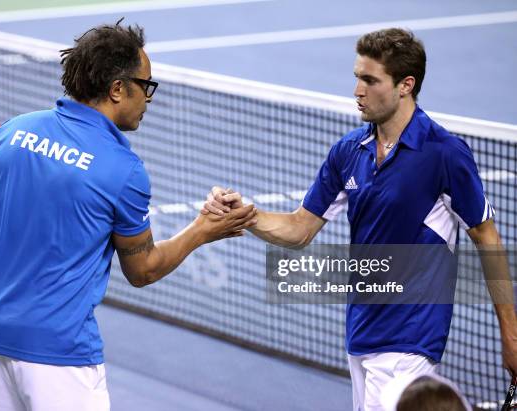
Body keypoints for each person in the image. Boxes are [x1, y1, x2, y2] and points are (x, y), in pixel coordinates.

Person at [203, 28, 517, 410]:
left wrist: (510, 335)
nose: (357, 90)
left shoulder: (444, 155)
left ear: (405, 85)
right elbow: (299, 229)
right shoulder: (349, 151)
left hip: (411, 342)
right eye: (357, 77)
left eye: (370, 80)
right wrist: (247, 215)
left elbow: (487, 239)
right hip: (360, 335)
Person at [0, 21, 256, 411]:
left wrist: (3, 303)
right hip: (58, 353)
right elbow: (142, 270)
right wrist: (203, 229)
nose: (148, 99)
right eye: (145, 86)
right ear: (117, 89)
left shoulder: (6, 133)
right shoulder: (122, 169)